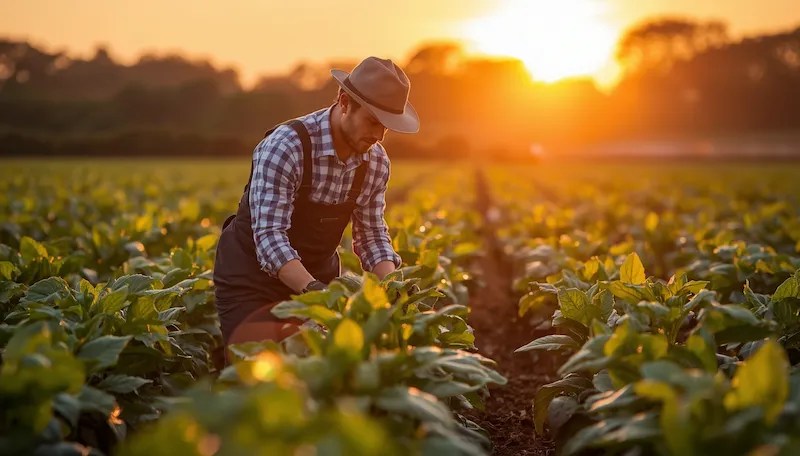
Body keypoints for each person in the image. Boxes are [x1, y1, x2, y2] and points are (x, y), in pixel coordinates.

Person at [212, 56, 420, 350]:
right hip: (251, 279)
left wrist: (392, 289)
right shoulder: (286, 147)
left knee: (321, 372)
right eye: (373, 121)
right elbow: (269, 238)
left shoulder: (375, 162)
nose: (378, 136)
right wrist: (317, 292)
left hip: (318, 277)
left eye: (387, 127)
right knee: (255, 370)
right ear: (345, 102)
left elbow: (372, 235)